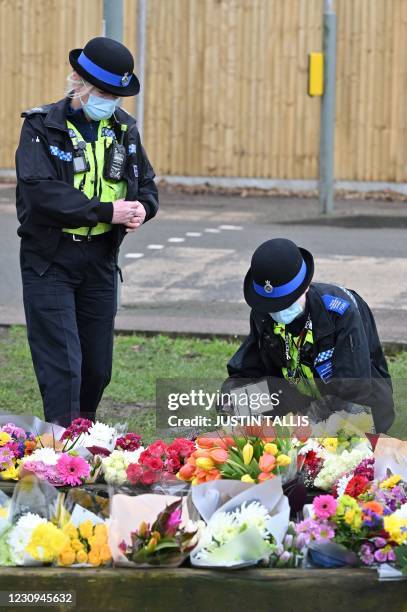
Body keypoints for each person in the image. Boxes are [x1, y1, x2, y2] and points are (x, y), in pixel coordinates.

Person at [15, 37, 159, 426]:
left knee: (97, 369)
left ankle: (83, 436)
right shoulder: (41, 128)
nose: (110, 101)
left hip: (99, 260)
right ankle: (62, 453)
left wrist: (142, 208)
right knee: (64, 366)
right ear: (77, 82)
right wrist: (106, 211)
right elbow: (41, 194)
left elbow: (146, 184)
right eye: (104, 93)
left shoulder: (125, 131)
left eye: (116, 95)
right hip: (51, 260)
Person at [222, 238, 395, 433]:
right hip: (298, 398)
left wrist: (303, 421)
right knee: (235, 401)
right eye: (272, 306)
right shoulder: (263, 314)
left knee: (348, 423)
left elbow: (354, 391)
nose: (277, 313)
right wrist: (234, 398)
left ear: (306, 286)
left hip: (352, 401)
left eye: (285, 303)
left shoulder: (339, 311)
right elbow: (246, 371)